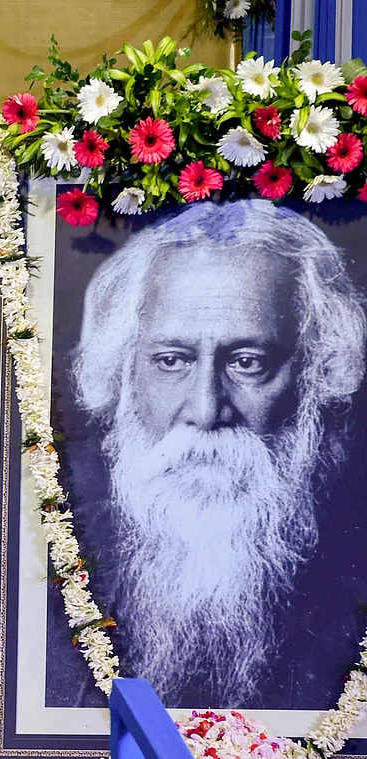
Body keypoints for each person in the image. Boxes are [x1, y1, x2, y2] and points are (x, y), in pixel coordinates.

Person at [48, 199, 367, 709]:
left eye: (247, 361)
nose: (206, 409)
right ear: (126, 372)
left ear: (315, 373)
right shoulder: (47, 553)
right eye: (171, 360)